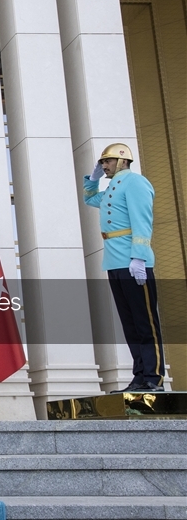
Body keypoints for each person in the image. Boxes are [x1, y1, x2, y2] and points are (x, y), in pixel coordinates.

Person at [83, 143, 165, 393]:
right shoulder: (111, 189)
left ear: (122, 161)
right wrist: (92, 180)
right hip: (115, 262)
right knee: (130, 324)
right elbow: (89, 199)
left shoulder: (135, 183)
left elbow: (143, 220)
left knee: (146, 322)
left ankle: (154, 376)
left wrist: (139, 257)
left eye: (106, 162)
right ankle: (139, 376)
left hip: (133, 262)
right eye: (102, 163)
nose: (103, 166)